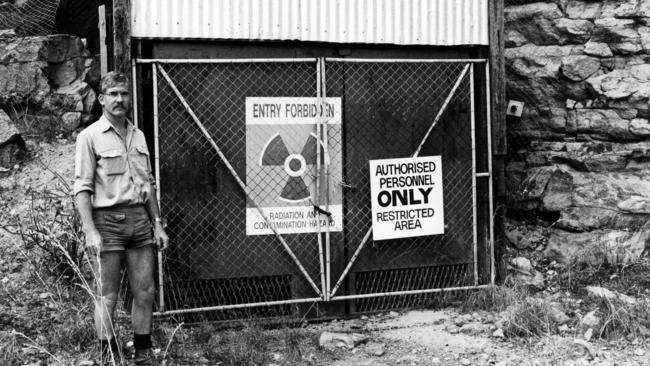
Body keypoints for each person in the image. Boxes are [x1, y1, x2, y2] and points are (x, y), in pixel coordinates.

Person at [74, 71, 169, 365]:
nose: (120, 99)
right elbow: (82, 188)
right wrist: (90, 230)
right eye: (113, 94)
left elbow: (147, 183)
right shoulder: (88, 137)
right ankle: (109, 356)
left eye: (124, 94)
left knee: (146, 291)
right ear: (102, 99)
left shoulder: (138, 135)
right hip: (107, 222)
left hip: (139, 221)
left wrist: (157, 224)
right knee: (107, 295)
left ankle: (142, 353)